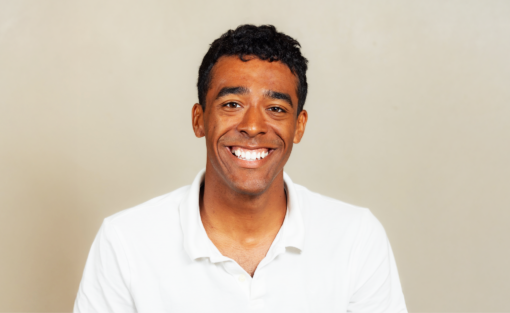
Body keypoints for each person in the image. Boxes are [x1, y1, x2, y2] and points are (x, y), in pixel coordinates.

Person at [74, 24, 407, 313]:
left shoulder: (356, 237)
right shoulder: (126, 241)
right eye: (232, 104)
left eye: (276, 108)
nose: (252, 126)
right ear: (199, 119)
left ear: (299, 126)